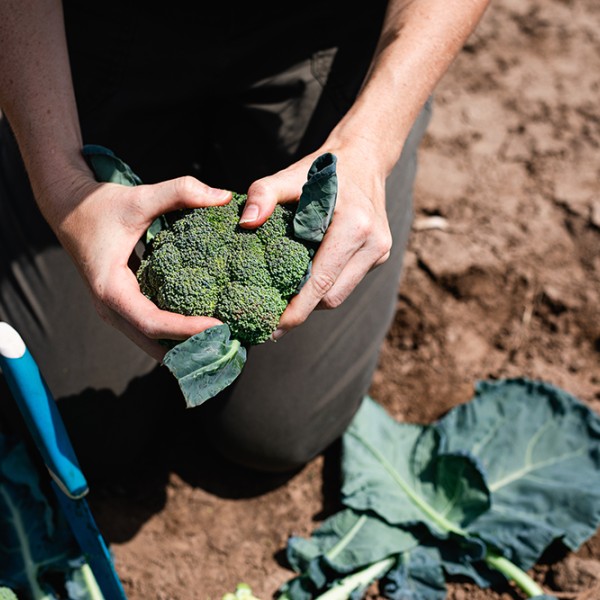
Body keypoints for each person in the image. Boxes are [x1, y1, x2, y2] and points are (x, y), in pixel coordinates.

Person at [0, 1, 490, 480]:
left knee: (274, 432)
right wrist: (63, 186)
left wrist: (371, 142)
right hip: (101, 29)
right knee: (75, 429)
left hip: (329, 36)